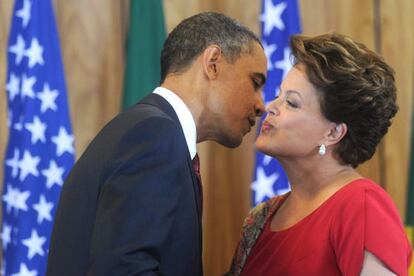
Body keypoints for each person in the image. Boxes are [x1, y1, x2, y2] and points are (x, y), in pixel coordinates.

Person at [46, 12, 267, 276]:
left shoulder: (143, 129)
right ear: (213, 63)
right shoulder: (155, 134)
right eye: (255, 83)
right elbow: (124, 270)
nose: (261, 105)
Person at [228, 33, 412, 276]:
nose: (269, 107)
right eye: (278, 96)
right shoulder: (261, 217)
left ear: (333, 133)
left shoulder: (362, 205)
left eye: (291, 103)